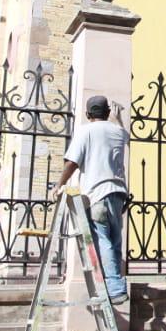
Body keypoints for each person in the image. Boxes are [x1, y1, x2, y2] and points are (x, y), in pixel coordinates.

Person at [56, 95, 130, 305]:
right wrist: (118, 119)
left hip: (96, 194)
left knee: (101, 238)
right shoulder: (118, 132)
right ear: (107, 112)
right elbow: (124, 135)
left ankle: (115, 288)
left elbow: (72, 162)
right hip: (118, 194)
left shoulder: (85, 131)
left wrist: (59, 184)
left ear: (88, 114)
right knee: (115, 240)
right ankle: (116, 284)